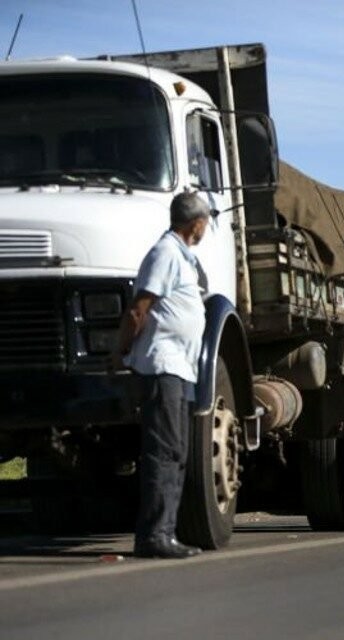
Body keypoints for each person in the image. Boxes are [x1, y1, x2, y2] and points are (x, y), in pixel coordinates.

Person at [112, 191, 210, 559]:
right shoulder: (165, 253)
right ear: (196, 224)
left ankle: (165, 531)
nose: (206, 228)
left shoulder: (182, 257)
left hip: (179, 368)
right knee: (164, 451)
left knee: (177, 451)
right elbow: (139, 310)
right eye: (205, 222)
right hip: (162, 365)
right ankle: (154, 536)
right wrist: (120, 351)